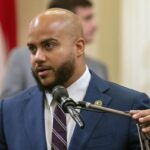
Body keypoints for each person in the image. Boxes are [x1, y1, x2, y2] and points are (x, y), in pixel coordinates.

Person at [0, 8, 150, 150]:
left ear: (79, 47)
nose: (38, 57)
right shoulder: (9, 111)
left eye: (49, 45)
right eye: (32, 49)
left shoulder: (127, 106)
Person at [0, 0, 108, 99]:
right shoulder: (20, 58)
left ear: (79, 47)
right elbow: (9, 108)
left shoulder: (99, 68)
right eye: (87, 18)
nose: (95, 25)